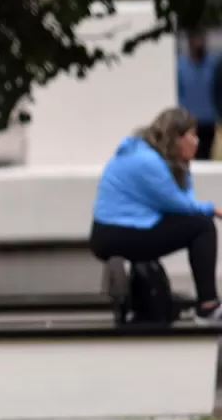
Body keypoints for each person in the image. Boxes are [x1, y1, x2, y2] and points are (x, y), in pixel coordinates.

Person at [90, 106, 222, 322]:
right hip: (115, 233)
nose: (197, 141)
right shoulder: (148, 162)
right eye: (192, 135)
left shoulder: (146, 155)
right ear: (176, 137)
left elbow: (181, 202)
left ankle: (181, 304)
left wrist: (184, 165)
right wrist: (213, 209)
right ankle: (208, 306)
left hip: (118, 230)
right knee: (202, 226)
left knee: (197, 223)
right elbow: (179, 204)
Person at [177, 30, 221, 161]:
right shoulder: (181, 66)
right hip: (188, 121)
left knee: (205, 156)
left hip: (208, 119)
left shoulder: (213, 64)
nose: (199, 43)